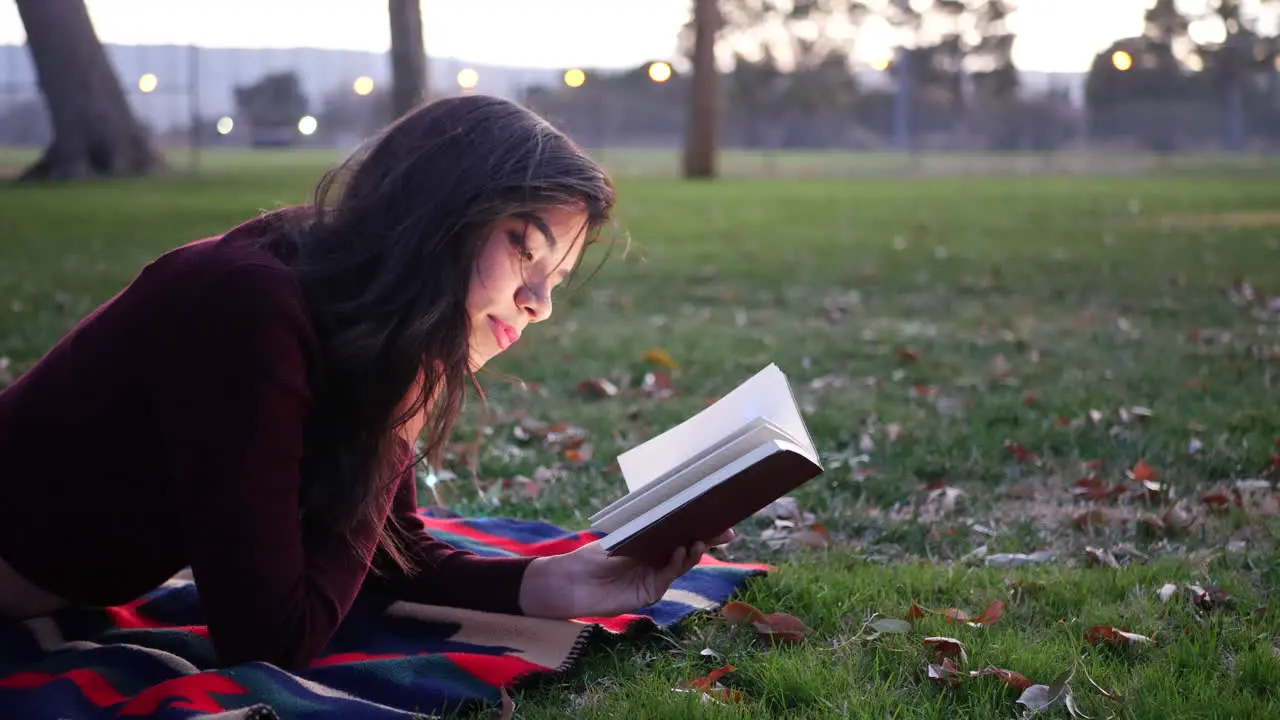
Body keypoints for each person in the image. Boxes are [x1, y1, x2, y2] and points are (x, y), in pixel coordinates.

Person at [0, 95, 732, 670]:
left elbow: (390, 551)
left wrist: (557, 583)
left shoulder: (345, 309)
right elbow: (271, 639)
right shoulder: (248, 309)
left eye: (556, 280)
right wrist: (399, 415)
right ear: (440, 216)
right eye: (524, 252)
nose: (538, 303)